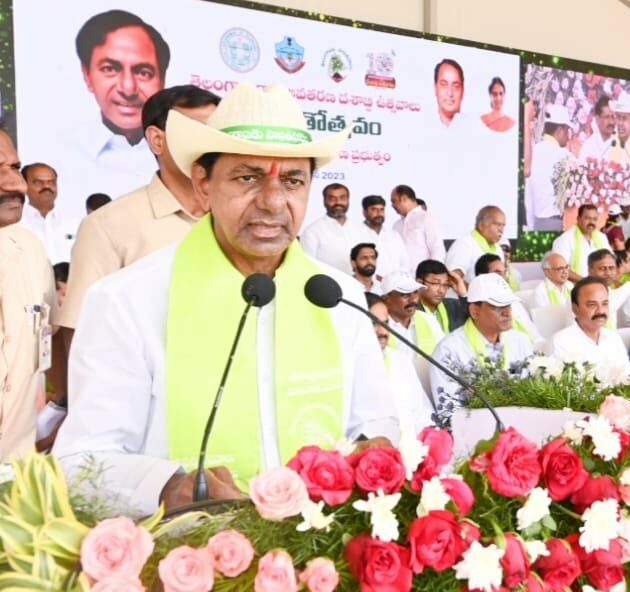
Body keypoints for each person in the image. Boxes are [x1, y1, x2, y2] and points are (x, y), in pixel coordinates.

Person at [54, 84, 397, 513]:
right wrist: (166, 487)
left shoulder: (337, 296)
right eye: (247, 178)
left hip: (321, 557)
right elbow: (78, 465)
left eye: (293, 181)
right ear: (203, 184)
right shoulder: (127, 301)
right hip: (188, 559)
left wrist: (374, 447)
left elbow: (375, 420)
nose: (273, 202)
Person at [55, 86, 220, 410]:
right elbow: (79, 333)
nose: (210, 143)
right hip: (145, 412)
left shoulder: (237, 219)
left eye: (216, 132)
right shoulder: (108, 225)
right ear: (157, 140)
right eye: (196, 131)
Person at [64, 10, 171, 203]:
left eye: (144, 72)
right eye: (110, 69)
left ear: (162, 80)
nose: (128, 88)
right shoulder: (61, 156)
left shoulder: (181, 157)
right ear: (87, 75)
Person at [1, 128, 60, 460]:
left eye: (13, 168)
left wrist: (63, 410)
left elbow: (50, 343)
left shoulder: (29, 250)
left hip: (17, 486)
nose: (17, 185)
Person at [430, 273, 535, 401]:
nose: (507, 312)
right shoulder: (449, 350)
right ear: (474, 311)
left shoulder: (521, 340)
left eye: (508, 305)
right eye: (498, 306)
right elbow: (449, 411)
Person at [365, 293, 434, 431]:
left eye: (385, 323)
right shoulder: (346, 365)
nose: (383, 331)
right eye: (373, 324)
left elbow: (423, 415)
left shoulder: (400, 361)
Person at [550, 277, 630, 370]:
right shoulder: (561, 342)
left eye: (605, 304)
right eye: (592, 305)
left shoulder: (614, 338)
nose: (600, 310)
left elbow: (627, 375)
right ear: (575, 308)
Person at [299, 183, 367, 271]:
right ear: (324, 201)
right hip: (329, 283)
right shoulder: (312, 231)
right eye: (332, 199)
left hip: (359, 283)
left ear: (348, 200)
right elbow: (307, 265)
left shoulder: (361, 229)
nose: (338, 202)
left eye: (342, 198)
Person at [475, 254, 541, 343]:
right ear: (482, 276)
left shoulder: (513, 301)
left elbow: (532, 330)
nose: (503, 278)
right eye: (498, 273)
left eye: (504, 272)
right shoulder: (481, 306)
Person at [19, 164, 78, 264]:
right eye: (38, 182)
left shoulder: (74, 223)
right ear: (24, 185)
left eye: (52, 182)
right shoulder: (15, 224)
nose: (46, 186)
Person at [526, 104, 571, 231]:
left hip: (537, 222)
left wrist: (531, 225)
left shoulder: (533, 151)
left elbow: (528, 194)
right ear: (560, 130)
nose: (568, 136)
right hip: (557, 221)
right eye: (567, 130)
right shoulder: (564, 155)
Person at [413, 260, 469, 355]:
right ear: (419, 283)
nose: (441, 290)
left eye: (446, 285)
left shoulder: (454, 305)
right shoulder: (411, 310)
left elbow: (479, 320)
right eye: (435, 284)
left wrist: (463, 294)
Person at [445, 205, 509, 283]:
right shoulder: (464, 245)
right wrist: (475, 291)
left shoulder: (498, 249)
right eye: (497, 224)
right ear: (481, 225)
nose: (501, 230)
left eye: (503, 225)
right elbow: (453, 278)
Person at [587, 248, 630, 329]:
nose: (608, 273)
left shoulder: (608, 289)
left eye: (611, 268)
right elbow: (610, 305)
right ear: (590, 270)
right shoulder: (584, 291)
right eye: (602, 268)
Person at [355, 194, 410, 281]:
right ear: (364, 212)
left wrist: (397, 280)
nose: (379, 213)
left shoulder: (394, 235)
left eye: (381, 209)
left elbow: (405, 263)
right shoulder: (355, 234)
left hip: (396, 287)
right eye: (374, 209)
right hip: (369, 285)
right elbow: (354, 264)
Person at [551, 204, 611, 281]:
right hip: (575, 289)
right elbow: (560, 268)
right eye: (588, 218)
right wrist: (585, 282)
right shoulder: (565, 239)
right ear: (578, 219)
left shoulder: (602, 237)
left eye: (595, 219)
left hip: (601, 287)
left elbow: (610, 261)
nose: (591, 222)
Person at [390, 184, 445, 268]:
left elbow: (437, 248)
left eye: (394, 201)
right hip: (401, 276)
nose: (392, 205)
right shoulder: (396, 225)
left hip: (423, 276)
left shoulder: (426, 218)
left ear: (404, 198)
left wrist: (433, 273)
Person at [582, 95, 617, 161]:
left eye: (613, 116)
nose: (611, 122)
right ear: (597, 119)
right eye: (607, 117)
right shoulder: (588, 146)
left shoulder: (622, 145)